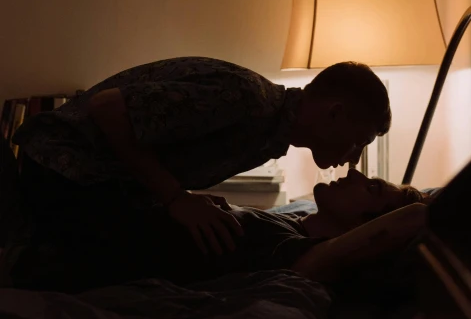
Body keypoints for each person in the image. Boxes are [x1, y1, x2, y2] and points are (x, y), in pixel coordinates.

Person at [13, 57, 391, 260]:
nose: (354, 158)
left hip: (95, 184)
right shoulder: (248, 100)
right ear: (335, 114)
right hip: (59, 166)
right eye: (359, 141)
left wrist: (185, 197)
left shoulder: (269, 136)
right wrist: (176, 198)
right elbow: (107, 107)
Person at [9, 168, 429, 293]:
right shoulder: (291, 218)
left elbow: (413, 219)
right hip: (78, 211)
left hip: (57, 243)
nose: (356, 170)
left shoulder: (307, 255)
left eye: (372, 187)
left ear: (368, 226)